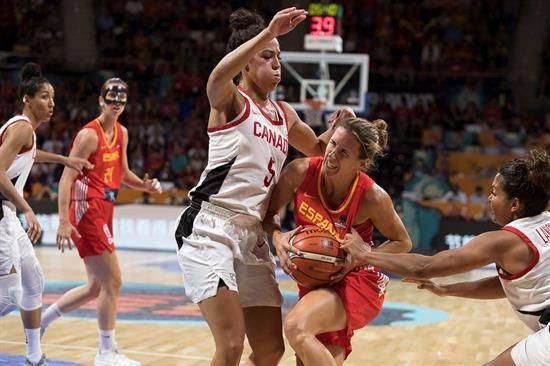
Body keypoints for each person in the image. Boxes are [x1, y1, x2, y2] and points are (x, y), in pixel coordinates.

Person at [173, 7, 354, 366]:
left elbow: (318, 149)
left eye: (279, 58)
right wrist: (269, 30)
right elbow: (214, 79)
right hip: (211, 228)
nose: (277, 65)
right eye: (267, 57)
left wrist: (338, 127)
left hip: (252, 235)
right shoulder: (231, 101)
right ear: (245, 63)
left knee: (271, 349)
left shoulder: (283, 114)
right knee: (230, 345)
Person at [340, 149, 550, 366]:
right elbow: (509, 286)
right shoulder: (545, 222)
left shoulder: (504, 241)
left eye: (495, 193)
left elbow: (424, 266)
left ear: (514, 204)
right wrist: (446, 289)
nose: (489, 198)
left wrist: (366, 254)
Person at [263, 117, 412, 365]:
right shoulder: (300, 172)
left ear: (361, 164)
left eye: (344, 152)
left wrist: (362, 256)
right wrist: (278, 237)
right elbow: (269, 213)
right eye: (332, 144)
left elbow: (402, 241)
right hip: (318, 277)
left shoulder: (372, 197)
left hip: (357, 279)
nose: (332, 154)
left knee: (295, 327)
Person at [41, 77, 162, 366]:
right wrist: (62, 220)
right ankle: (105, 353)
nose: (116, 104)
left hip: (105, 206)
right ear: (100, 100)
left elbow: (122, 173)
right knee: (114, 281)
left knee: (96, 286)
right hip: (85, 209)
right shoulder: (88, 136)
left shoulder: (122, 132)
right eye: (111, 99)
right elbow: (67, 177)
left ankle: (41, 321)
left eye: (121, 99)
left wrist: (144, 186)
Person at [0, 62, 91, 366]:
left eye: (52, 98)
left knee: (33, 281)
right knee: (10, 294)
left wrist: (66, 159)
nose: (51, 104)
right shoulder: (22, 126)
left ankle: (34, 357)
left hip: (7, 214)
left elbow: (31, 155)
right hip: (2, 214)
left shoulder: (26, 132)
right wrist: (27, 208)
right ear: (27, 99)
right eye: (44, 97)